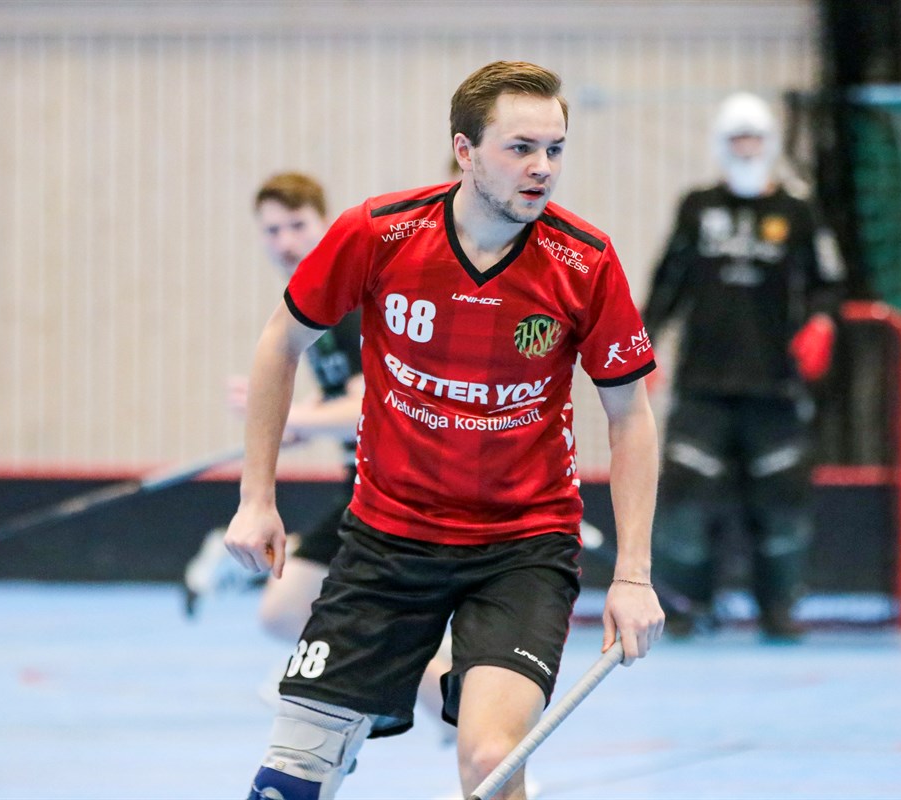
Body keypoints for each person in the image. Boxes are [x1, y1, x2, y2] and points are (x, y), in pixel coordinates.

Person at [224, 61, 664, 800]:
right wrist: (256, 498)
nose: (542, 167)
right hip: (389, 536)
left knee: (490, 759)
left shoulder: (584, 262)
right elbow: (280, 342)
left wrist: (633, 576)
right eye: (520, 148)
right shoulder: (380, 233)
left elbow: (632, 416)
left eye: (555, 149)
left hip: (522, 548)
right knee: (288, 776)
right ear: (465, 150)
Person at [184, 172, 453, 728]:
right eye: (272, 230)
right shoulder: (313, 302)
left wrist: (286, 415)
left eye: (297, 225)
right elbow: (340, 392)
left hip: (399, 489)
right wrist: (301, 421)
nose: (285, 241)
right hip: (362, 484)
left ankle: (459, 726)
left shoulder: (347, 300)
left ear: (324, 225)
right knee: (292, 613)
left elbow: (371, 404)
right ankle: (452, 721)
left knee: (304, 615)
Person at [643, 92, 844, 641]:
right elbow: (668, 281)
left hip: (774, 389)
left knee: (781, 504)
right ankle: (685, 607)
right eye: (737, 139)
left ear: (771, 144)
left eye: (755, 138)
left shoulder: (798, 211)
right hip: (702, 387)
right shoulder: (696, 206)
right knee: (685, 499)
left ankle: (778, 610)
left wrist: (822, 322)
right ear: (720, 144)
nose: (746, 148)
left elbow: (828, 282)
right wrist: (643, 345)